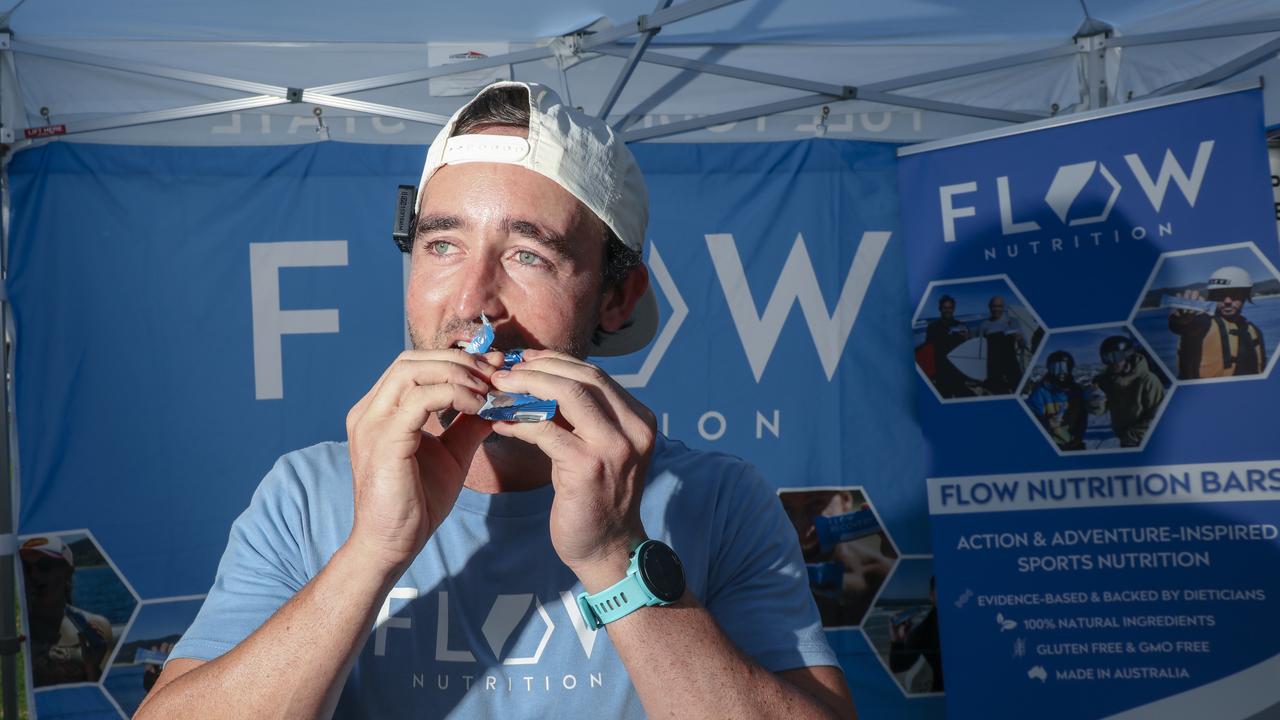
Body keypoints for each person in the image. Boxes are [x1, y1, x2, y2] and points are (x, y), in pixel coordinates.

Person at [141, 82, 854, 719]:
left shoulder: (714, 502)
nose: (474, 305)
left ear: (615, 298)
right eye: (442, 244)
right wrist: (374, 550)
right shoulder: (309, 495)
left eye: (528, 255)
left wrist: (615, 554)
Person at [780, 490, 896, 627]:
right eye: (785, 507)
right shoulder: (761, 571)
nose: (801, 527)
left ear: (845, 501)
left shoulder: (879, 574)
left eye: (816, 503)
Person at [19, 536, 113, 686]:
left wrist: (92, 667)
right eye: (26, 568)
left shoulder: (96, 627)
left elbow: (103, 693)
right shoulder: (12, 631)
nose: (34, 575)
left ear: (68, 571)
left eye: (45, 565)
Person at [1168, 265, 1266, 379]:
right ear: (1212, 296)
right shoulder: (1203, 322)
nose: (1228, 301)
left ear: (1245, 295)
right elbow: (1181, 325)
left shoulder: (1254, 330)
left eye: (1235, 294)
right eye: (1221, 294)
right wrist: (1182, 317)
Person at [1090, 336, 1165, 448]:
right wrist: (1095, 402)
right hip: (1126, 440)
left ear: (1128, 356)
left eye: (1115, 357)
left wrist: (1132, 436)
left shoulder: (1148, 380)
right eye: (1106, 358)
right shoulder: (1109, 381)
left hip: (1146, 440)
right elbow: (1100, 411)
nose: (1111, 363)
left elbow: (1158, 416)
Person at [888, 576, 942, 693]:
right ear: (932, 596)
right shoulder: (925, 629)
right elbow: (898, 666)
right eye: (942, 589)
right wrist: (897, 641)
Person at [1025, 350, 1086, 451]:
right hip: (1051, 445)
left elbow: (1082, 417)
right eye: (1055, 368)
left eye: (1064, 368)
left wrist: (1078, 437)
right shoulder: (1041, 392)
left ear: (1070, 368)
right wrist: (1046, 423)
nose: (1061, 373)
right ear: (1049, 369)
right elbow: (1030, 418)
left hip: (1074, 443)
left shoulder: (1076, 391)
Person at [924, 294, 971, 398]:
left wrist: (967, 338)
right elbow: (928, 351)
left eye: (950, 308)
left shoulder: (961, 326)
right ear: (940, 309)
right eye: (945, 308)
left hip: (958, 370)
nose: (947, 310)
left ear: (954, 309)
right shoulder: (932, 327)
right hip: (941, 371)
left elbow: (969, 350)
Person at [978, 295, 1025, 394]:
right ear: (989, 307)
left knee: (1018, 393)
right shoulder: (983, 325)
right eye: (994, 306)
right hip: (993, 369)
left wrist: (1020, 339)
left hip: (1012, 365)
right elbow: (979, 349)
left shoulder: (1013, 321)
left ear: (1003, 307)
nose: (996, 309)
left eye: (999, 306)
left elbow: (1023, 344)